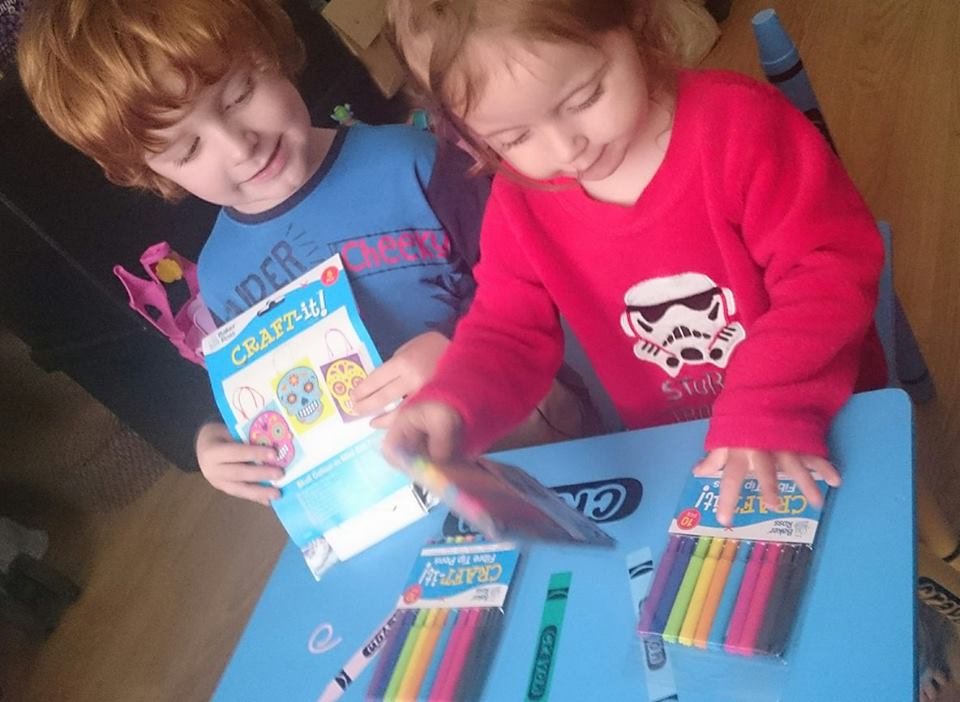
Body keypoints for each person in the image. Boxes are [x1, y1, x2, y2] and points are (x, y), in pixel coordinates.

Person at [17, 0, 596, 506]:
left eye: (240, 93)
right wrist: (222, 443)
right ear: (151, 174)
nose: (239, 146)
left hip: (540, 444)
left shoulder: (415, 165)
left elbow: (559, 296)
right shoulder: (219, 279)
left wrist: (467, 359)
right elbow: (275, 405)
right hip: (402, 504)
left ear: (268, 49)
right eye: (188, 149)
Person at [380, 0, 889, 526]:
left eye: (585, 97)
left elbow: (827, 270)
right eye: (514, 138)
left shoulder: (741, 129)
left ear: (636, 22)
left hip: (825, 410)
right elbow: (508, 333)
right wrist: (454, 400)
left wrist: (768, 404)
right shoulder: (520, 203)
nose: (567, 149)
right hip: (681, 448)